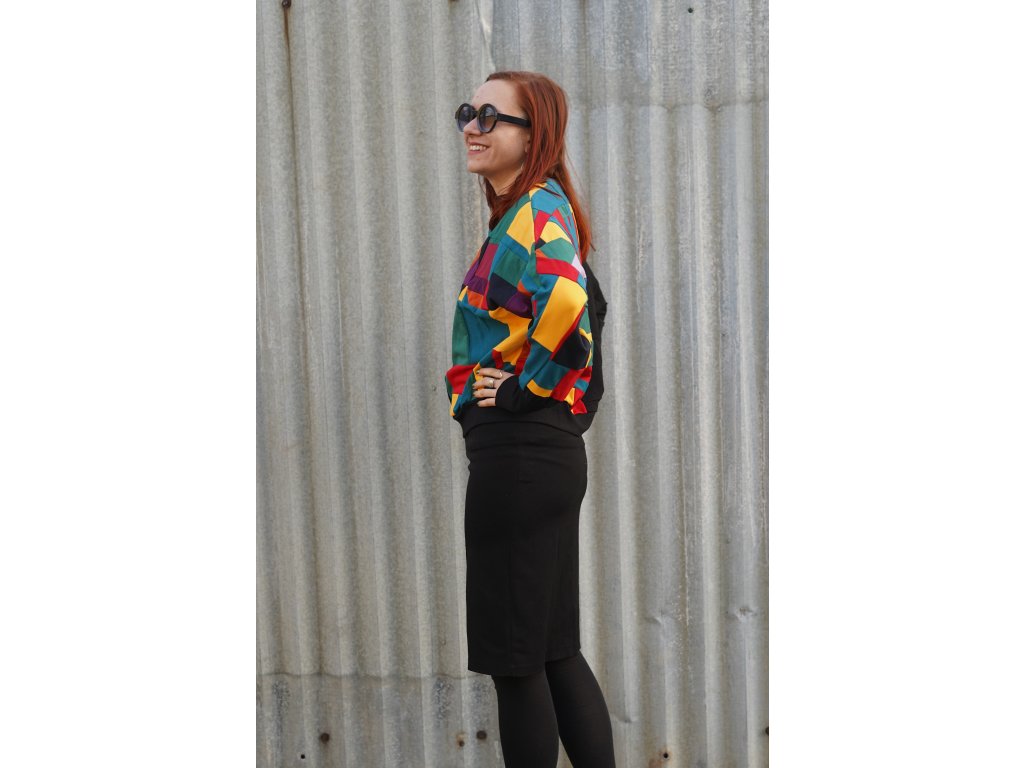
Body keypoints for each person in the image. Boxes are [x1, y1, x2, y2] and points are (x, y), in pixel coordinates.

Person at [444, 71, 616, 768]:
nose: (473, 126)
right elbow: (586, 307)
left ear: (533, 133)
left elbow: (571, 305)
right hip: (541, 458)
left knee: (517, 661)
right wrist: (565, 411)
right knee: (552, 650)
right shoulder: (539, 213)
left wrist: (523, 393)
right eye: (468, 112)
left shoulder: (536, 211)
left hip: (517, 459)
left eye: (492, 116)